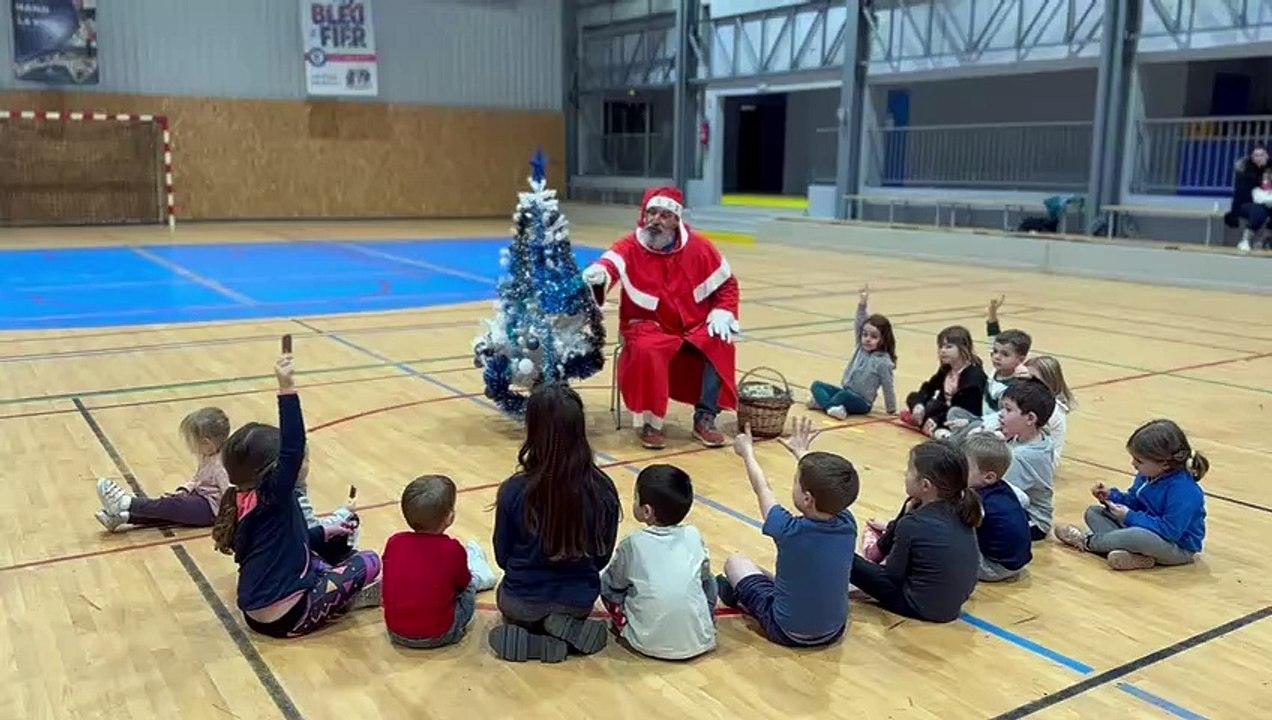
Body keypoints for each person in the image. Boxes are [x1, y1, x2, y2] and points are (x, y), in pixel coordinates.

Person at [211, 352, 381, 639]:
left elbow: (287, 543)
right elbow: (294, 446)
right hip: (289, 617)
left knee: (328, 545)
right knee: (370, 561)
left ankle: (330, 585)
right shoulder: (272, 497)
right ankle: (344, 598)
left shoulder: (241, 499)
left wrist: (325, 531)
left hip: (255, 616)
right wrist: (287, 389)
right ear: (273, 471)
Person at [582, 187, 741, 450]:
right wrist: (599, 276)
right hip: (647, 325)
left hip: (693, 323)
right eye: (651, 213)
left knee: (719, 341)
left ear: (677, 220)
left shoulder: (699, 247)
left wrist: (723, 310)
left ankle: (705, 417)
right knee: (648, 349)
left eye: (665, 215)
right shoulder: (630, 246)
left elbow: (727, 285)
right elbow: (609, 265)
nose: (656, 220)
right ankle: (650, 422)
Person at [489, 383, 622, 663]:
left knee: (513, 605)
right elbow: (602, 557)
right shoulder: (603, 489)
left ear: (533, 431)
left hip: (521, 603)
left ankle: (533, 638)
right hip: (577, 602)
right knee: (566, 606)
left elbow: (503, 557)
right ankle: (563, 629)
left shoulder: (514, 490)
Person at [718, 418, 859, 648]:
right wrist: (802, 453)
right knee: (773, 575)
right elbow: (832, 490)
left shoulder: (787, 529)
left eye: (796, 481)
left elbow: (762, 487)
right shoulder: (847, 522)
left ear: (807, 499)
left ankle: (743, 599)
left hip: (785, 631)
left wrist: (747, 453)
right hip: (834, 631)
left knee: (735, 562)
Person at [849, 441, 982, 623]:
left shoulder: (913, 524)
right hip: (951, 606)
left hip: (919, 607)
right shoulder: (963, 507)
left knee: (844, 555)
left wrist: (900, 524)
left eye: (909, 471)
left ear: (926, 485)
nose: (905, 475)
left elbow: (892, 576)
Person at [1055, 419, 1208, 571]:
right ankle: (1137, 557)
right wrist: (1111, 497)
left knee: (1137, 536)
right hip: (1145, 529)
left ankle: (1087, 541)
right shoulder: (1147, 475)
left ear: (1165, 464)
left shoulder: (1184, 491)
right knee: (1094, 513)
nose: (1133, 464)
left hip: (1176, 548)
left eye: (1139, 461)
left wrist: (1129, 517)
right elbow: (1135, 501)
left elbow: (1170, 531)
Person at [600, 464, 717, 660]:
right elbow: (705, 580)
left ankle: (625, 625)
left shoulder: (633, 542)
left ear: (647, 511)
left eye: (636, 497)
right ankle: (701, 621)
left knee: (608, 584)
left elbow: (614, 584)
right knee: (708, 579)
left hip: (645, 643)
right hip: (701, 641)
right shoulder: (692, 534)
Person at [383, 475, 498, 649]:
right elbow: (462, 584)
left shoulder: (394, 542)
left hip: (396, 633)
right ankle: (482, 575)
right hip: (441, 634)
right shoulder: (452, 548)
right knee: (468, 585)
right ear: (450, 517)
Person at [95, 407, 230, 531]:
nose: (190, 446)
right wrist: (186, 489)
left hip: (210, 510)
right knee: (166, 509)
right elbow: (198, 478)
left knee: (172, 506)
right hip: (200, 497)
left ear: (206, 443)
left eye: (192, 441)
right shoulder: (207, 454)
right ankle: (124, 516)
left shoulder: (221, 465)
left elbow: (230, 495)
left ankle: (126, 503)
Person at [945, 296, 1030, 440]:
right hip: (981, 418)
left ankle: (954, 446)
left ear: (1020, 360)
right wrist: (992, 312)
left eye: (1004, 354)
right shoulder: (998, 369)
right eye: (995, 352)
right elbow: (993, 336)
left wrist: (972, 423)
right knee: (954, 412)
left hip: (998, 427)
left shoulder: (1015, 386)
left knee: (971, 429)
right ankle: (958, 439)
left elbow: (1001, 417)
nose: (997, 356)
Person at [807, 285, 897, 419]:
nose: (867, 339)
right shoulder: (860, 348)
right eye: (865, 335)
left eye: (873, 337)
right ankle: (831, 407)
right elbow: (859, 323)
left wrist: (891, 408)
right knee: (817, 385)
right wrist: (862, 304)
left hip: (862, 402)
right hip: (846, 392)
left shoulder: (883, 362)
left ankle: (825, 405)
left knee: (841, 396)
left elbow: (888, 386)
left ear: (883, 339)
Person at [962, 434, 1032, 582]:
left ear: (988, 477)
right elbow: (1025, 499)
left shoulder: (977, 501)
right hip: (1018, 562)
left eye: (963, 467)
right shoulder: (1004, 487)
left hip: (993, 568)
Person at [901, 326, 988, 437]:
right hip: (944, 408)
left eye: (948, 347)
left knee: (950, 415)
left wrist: (936, 419)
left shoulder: (973, 376)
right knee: (914, 398)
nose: (942, 351)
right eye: (941, 347)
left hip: (963, 415)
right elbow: (928, 388)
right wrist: (919, 405)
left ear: (963, 348)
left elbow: (963, 410)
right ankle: (923, 420)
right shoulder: (946, 368)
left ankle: (931, 426)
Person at [997, 379, 1057, 540]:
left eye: (1008, 409)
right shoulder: (1042, 437)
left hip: (1033, 520)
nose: (1001, 414)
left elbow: (1002, 494)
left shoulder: (1022, 457)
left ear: (1030, 418)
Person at [1224, 143, 1270, 252]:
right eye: (1256, 155)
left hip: (1268, 201)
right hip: (1247, 203)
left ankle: (1262, 239)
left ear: (1267, 156)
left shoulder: (1269, 170)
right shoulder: (1246, 172)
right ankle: (1245, 240)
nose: (1259, 158)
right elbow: (1238, 195)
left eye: (1262, 155)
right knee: (1259, 212)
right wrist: (1233, 213)